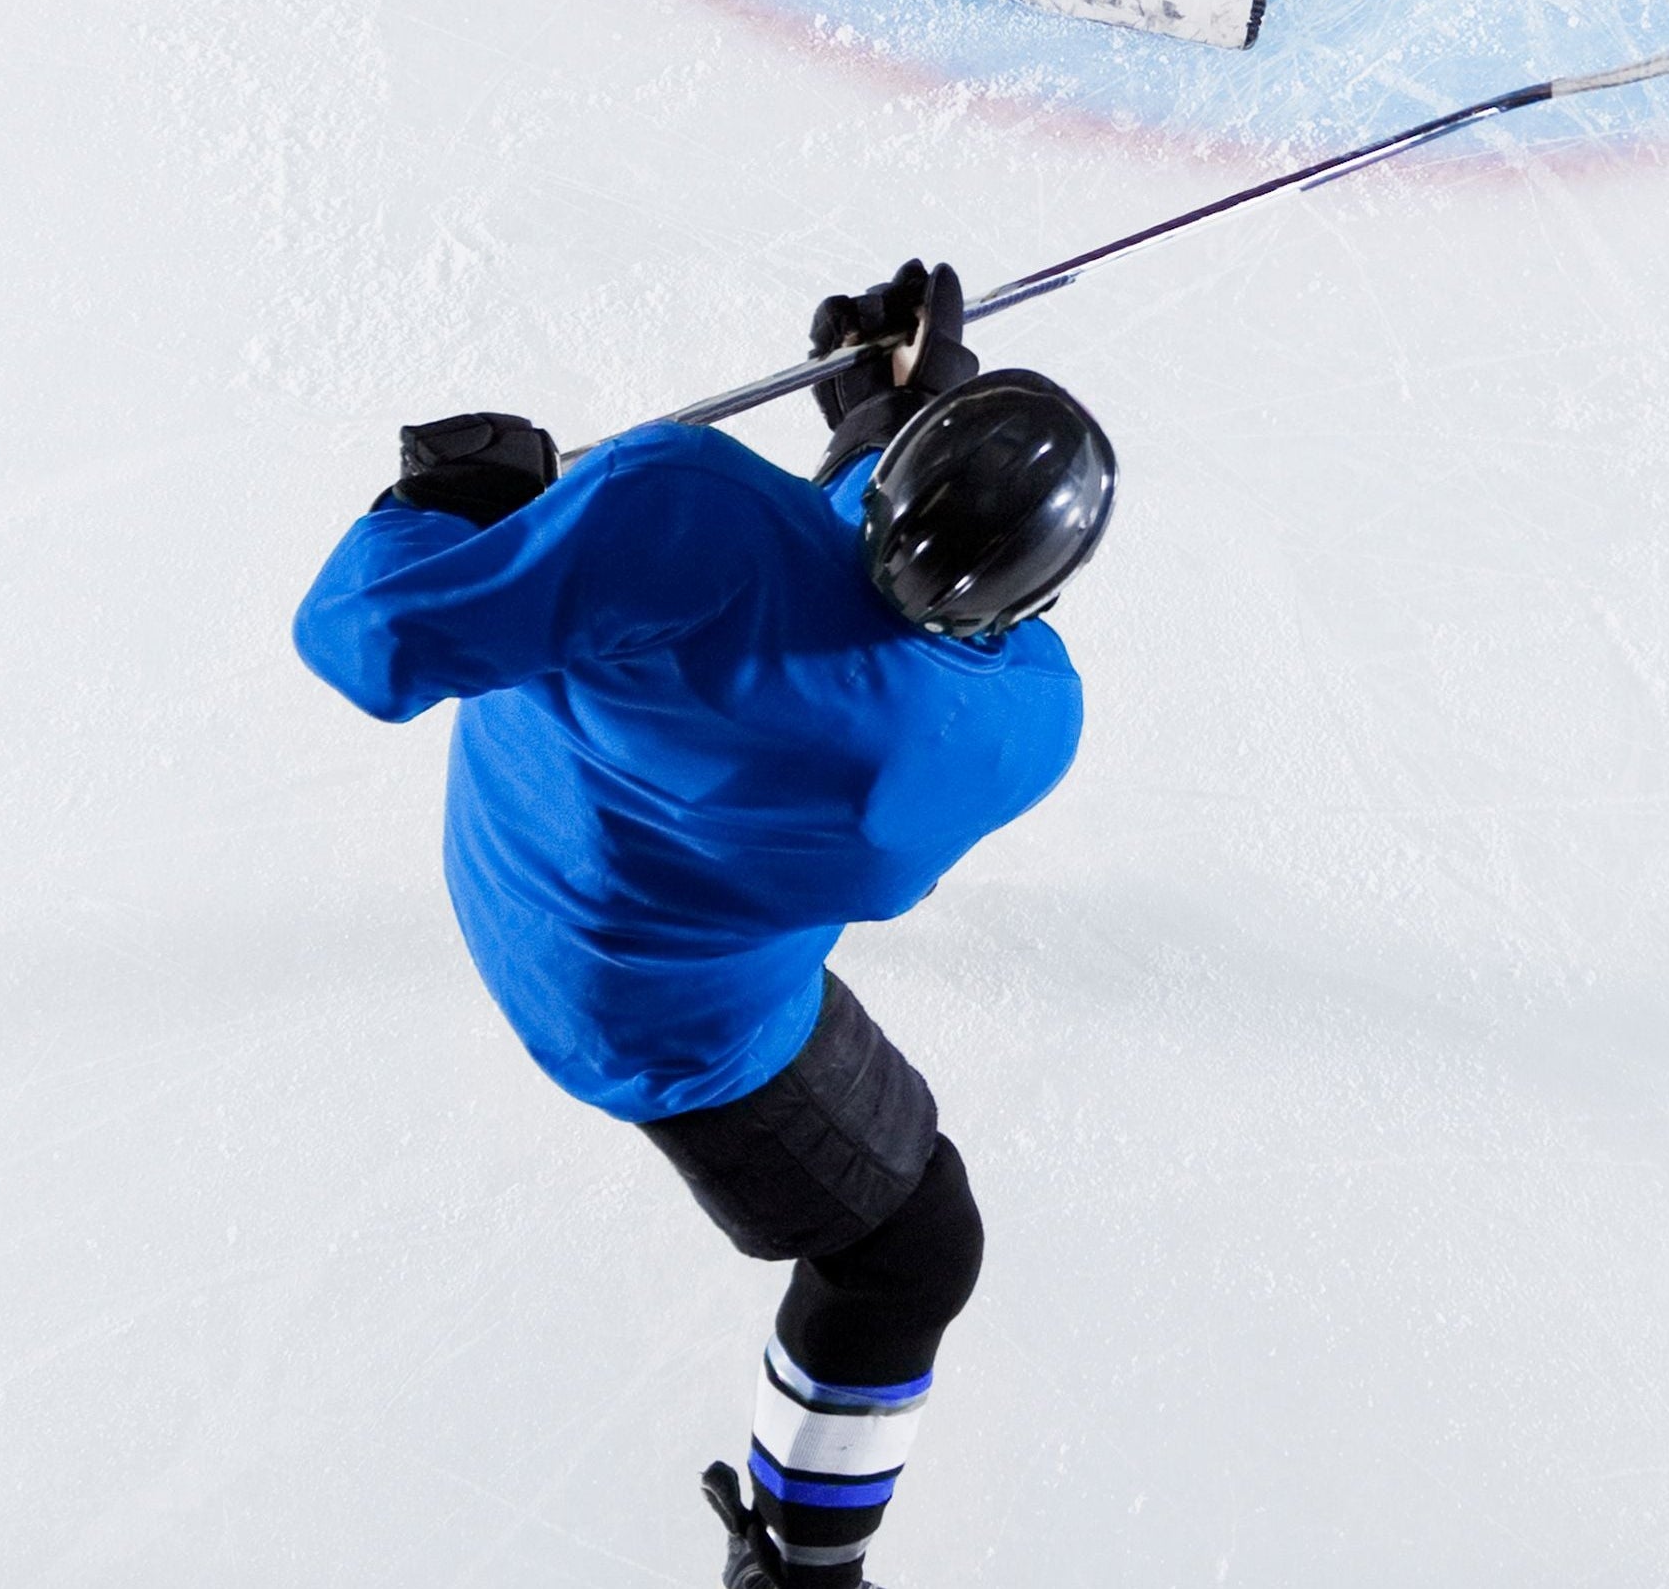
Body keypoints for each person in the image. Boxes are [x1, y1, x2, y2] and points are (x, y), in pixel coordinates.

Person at [289, 261, 1113, 1588]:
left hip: (521, 865)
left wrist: (436, 510)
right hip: (667, 1015)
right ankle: (805, 1568)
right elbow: (881, 633)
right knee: (909, 1248)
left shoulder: (669, 508)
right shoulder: (1010, 733)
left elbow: (367, 638)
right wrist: (874, 436)